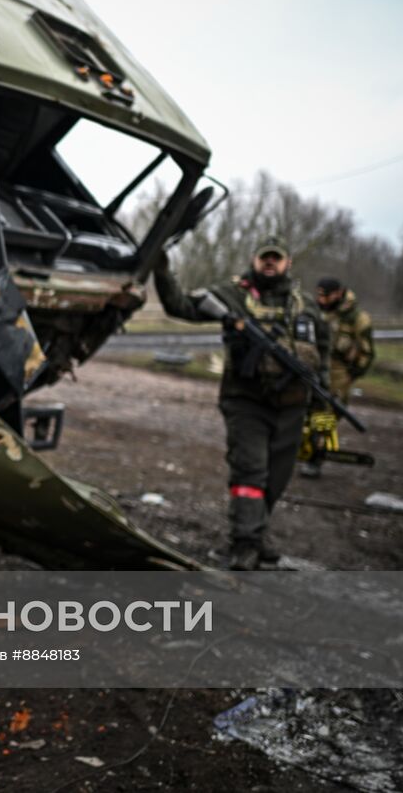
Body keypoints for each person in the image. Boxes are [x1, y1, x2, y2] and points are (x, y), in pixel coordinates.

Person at [153, 236, 329, 570]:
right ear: (254, 259)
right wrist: (162, 272)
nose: (270, 264)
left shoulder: (305, 305)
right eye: (265, 258)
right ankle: (244, 544)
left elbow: (324, 358)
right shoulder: (233, 296)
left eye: (276, 259)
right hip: (246, 402)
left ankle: (256, 536)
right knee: (251, 471)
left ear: (288, 263)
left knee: (275, 479)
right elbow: (180, 306)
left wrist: (322, 414)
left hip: (292, 406)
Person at [298, 277, 375, 477]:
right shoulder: (316, 312)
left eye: (326, 296)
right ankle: (304, 453)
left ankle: (315, 460)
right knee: (305, 416)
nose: (321, 299)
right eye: (319, 295)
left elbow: (366, 353)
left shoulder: (356, 318)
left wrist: (350, 376)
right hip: (314, 370)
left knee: (324, 419)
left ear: (338, 293)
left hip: (338, 377)